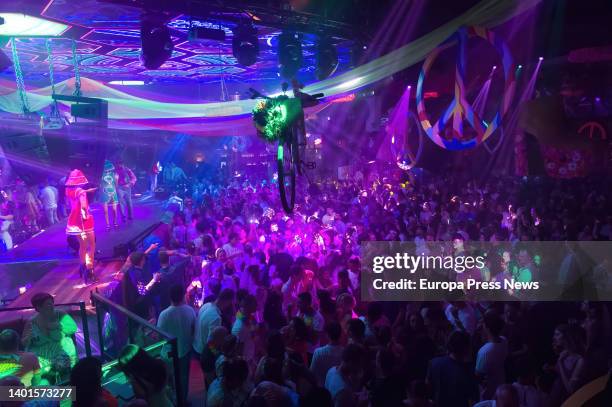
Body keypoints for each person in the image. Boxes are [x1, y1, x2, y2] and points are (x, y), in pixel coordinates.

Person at [22, 292, 78, 384]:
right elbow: (24, 342)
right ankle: (41, 392)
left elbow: (73, 328)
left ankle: (65, 386)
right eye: (48, 305)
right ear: (38, 308)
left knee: (59, 365)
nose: (52, 306)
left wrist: (60, 326)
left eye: (52, 303)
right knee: (35, 370)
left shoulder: (60, 315)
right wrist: (28, 338)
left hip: (61, 350)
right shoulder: (32, 322)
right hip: (40, 355)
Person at [157, 284, 195, 404]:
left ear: (170, 297)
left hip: (168, 354)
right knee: (183, 378)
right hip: (185, 351)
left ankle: (171, 401)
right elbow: (193, 329)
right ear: (183, 296)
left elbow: (160, 336)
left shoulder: (164, 314)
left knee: (168, 380)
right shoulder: (190, 310)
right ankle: (182, 401)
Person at [426, 330, 478, 407]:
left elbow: (427, 388)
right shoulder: (468, 372)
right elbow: (473, 400)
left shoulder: (434, 363)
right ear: (466, 348)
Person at [65, 169, 97, 282]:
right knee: (92, 246)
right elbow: (83, 205)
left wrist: (88, 191)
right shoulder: (81, 192)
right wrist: (85, 215)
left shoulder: (68, 190)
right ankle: (90, 271)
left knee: (82, 246)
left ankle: (82, 267)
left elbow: (79, 193)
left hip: (74, 221)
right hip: (84, 222)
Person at [476, 310, 509, 400]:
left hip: (489, 391)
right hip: (501, 382)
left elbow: (478, 374)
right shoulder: (504, 340)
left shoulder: (484, 352)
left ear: (487, 328)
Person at [193, 288, 235, 356]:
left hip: (195, 346)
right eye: (230, 303)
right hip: (201, 352)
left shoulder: (206, 305)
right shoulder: (216, 318)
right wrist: (217, 355)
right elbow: (210, 343)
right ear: (227, 302)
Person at [310, 321, 344, 386]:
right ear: (340, 334)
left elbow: (312, 372)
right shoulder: (345, 352)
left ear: (327, 335)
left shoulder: (318, 352)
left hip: (321, 388)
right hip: (337, 388)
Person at [100, 160, 120, 230]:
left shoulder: (114, 174)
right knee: (105, 211)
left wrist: (117, 179)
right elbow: (100, 185)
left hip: (113, 193)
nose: (108, 170)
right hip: (104, 194)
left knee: (114, 210)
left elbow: (116, 185)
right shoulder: (101, 175)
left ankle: (115, 223)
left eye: (109, 169)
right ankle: (107, 225)